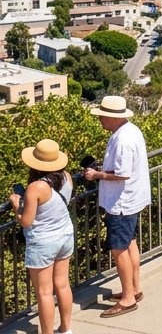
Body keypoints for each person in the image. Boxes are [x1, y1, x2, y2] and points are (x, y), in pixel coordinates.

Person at [84, 96, 150, 319]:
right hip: (132, 198)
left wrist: (96, 174)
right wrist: (104, 169)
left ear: (114, 117)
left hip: (122, 202)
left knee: (118, 249)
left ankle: (128, 299)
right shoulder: (131, 131)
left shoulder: (122, 140)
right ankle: (134, 289)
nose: (100, 120)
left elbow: (122, 174)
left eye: (102, 116)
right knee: (130, 243)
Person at [12, 139, 74, 334]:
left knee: (44, 293)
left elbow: (26, 221)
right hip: (65, 235)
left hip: (44, 242)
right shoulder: (67, 177)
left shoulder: (36, 187)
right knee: (63, 285)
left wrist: (16, 204)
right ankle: (65, 329)